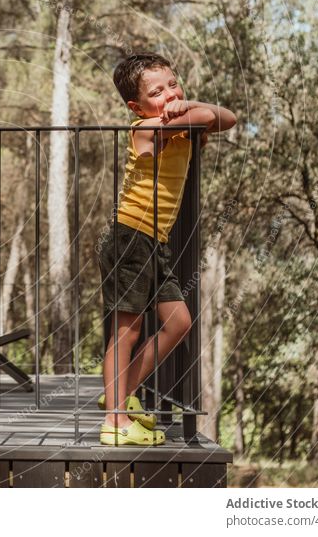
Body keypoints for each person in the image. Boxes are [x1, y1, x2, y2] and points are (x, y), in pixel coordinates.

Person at [96, 53, 237, 446]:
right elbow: (210, 119)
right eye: (156, 92)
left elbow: (228, 117)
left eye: (173, 84)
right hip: (130, 237)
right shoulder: (146, 127)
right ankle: (115, 422)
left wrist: (187, 104)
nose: (170, 94)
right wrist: (188, 109)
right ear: (136, 106)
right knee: (127, 330)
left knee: (178, 322)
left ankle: (118, 396)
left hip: (152, 243)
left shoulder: (174, 121)